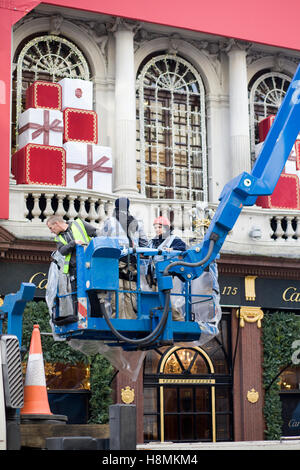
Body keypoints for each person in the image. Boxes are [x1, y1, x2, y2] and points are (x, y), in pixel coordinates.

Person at [101, 197, 148, 319]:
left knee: (117, 291)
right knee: (131, 291)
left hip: (115, 260)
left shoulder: (110, 221)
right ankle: (131, 318)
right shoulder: (136, 222)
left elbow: (102, 241)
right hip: (132, 261)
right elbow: (144, 243)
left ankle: (118, 318)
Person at [46, 215, 98, 324]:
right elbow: (62, 251)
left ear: (57, 223)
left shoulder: (79, 223)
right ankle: (78, 316)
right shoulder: (59, 238)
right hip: (74, 269)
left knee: (92, 291)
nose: (51, 231)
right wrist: (74, 243)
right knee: (76, 294)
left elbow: (96, 234)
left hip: (89, 265)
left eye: (51, 228)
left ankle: (96, 317)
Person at [148, 216, 187, 321]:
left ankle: (178, 319)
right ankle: (167, 318)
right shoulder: (153, 242)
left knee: (165, 298)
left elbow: (183, 248)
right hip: (155, 275)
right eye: (155, 227)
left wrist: (172, 249)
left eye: (159, 227)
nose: (157, 230)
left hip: (166, 274)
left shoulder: (173, 239)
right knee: (159, 299)